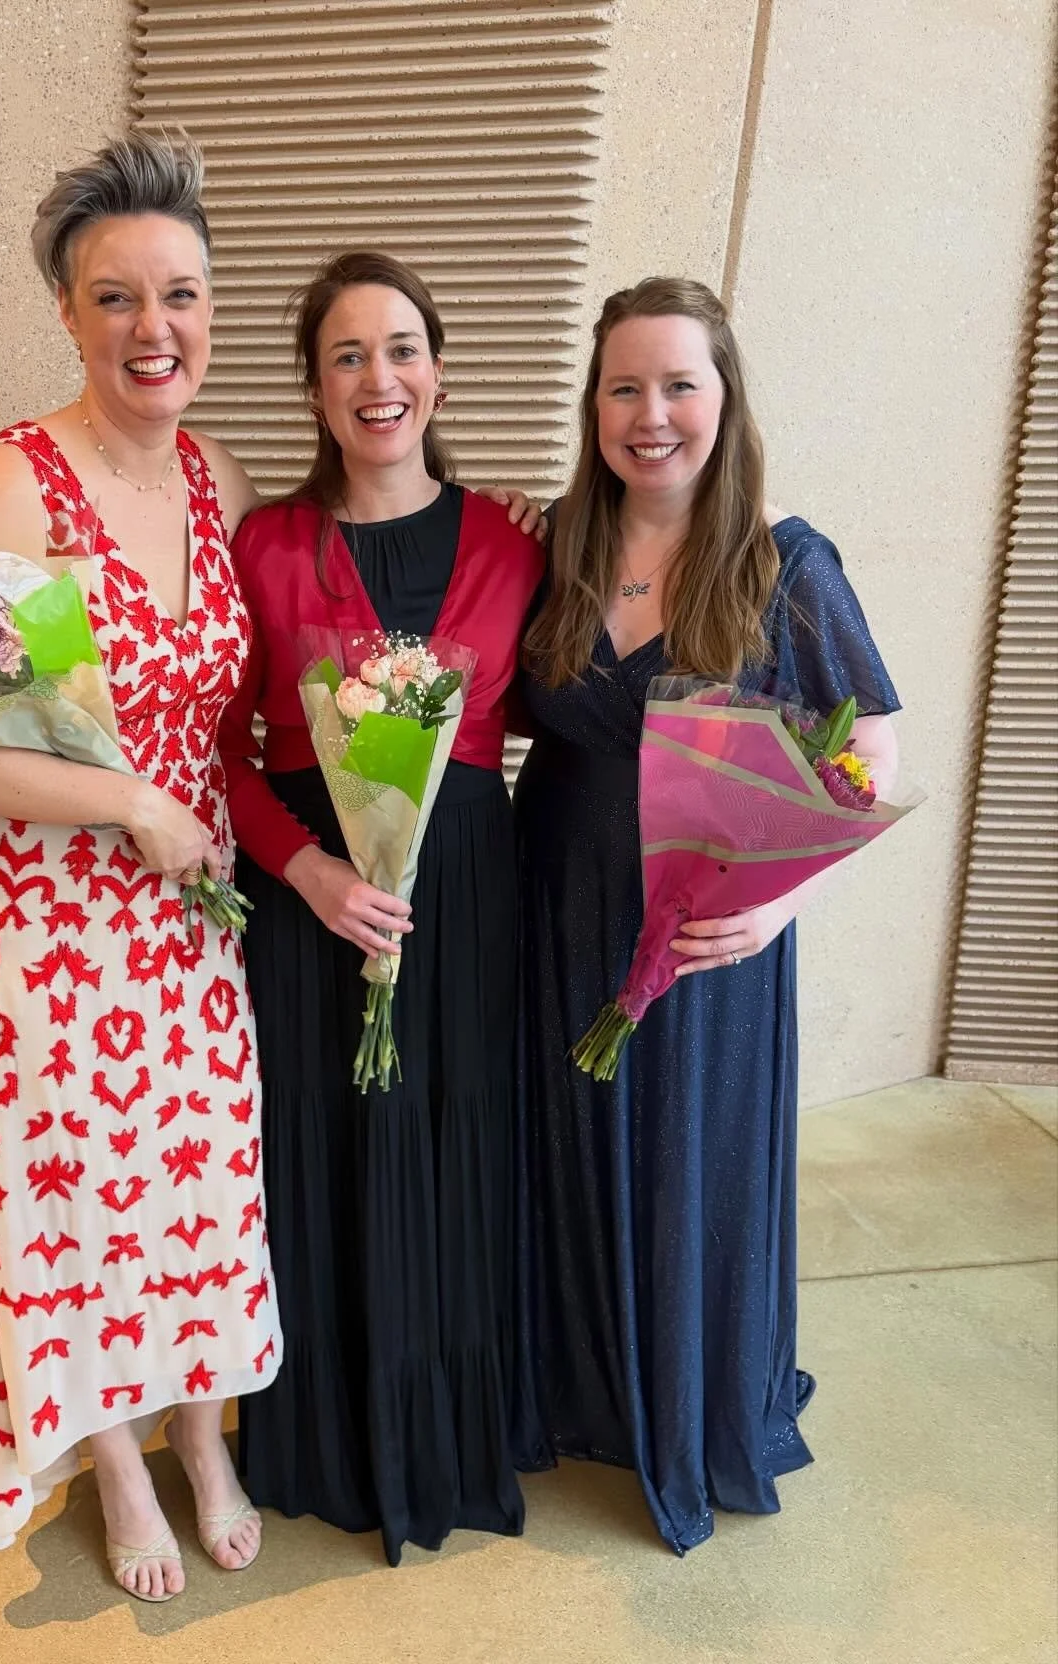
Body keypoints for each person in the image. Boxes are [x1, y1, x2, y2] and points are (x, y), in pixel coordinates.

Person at [0, 132, 281, 1602]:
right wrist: (123, 798)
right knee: (77, 1206)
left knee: (193, 1191)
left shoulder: (217, 480)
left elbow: (239, 705)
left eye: (179, 294)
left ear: (211, 307)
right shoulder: (15, 486)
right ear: (68, 311)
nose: (152, 329)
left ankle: (203, 1434)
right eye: (116, 298)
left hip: (190, 915)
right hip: (39, 927)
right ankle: (118, 1461)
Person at [513, 276, 900, 1553]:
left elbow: (874, 760)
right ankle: (586, 1388)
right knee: (570, 1153)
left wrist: (786, 905)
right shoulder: (560, 541)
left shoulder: (786, 560)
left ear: (725, 399)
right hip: (559, 910)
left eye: (679, 383)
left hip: (707, 937)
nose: (651, 412)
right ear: (595, 404)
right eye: (624, 385)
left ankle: (690, 1399)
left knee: (691, 1163)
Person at [217, 250, 546, 1565]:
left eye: (402, 348)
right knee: (326, 1150)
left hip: (464, 894)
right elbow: (220, 751)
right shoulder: (267, 546)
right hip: (310, 899)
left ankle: (453, 1434)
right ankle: (329, 1437)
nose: (379, 378)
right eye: (347, 355)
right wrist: (308, 870)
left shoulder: (519, 540)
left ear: (440, 370)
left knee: (459, 1148)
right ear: (311, 387)